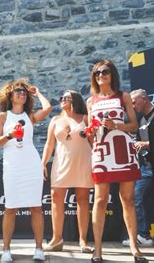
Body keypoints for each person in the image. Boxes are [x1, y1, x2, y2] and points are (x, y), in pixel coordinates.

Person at [87, 60, 146, 262]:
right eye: (97, 73)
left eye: (104, 71)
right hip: (102, 153)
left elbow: (134, 126)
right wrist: (90, 132)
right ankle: (97, 250)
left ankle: (134, 247)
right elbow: (89, 133)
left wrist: (116, 125)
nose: (100, 75)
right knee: (100, 200)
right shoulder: (90, 101)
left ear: (112, 74)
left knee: (127, 200)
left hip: (123, 151)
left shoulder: (124, 96)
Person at [0, 78, 52, 262]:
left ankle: (39, 249)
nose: (22, 93)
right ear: (10, 95)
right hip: (12, 166)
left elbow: (48, 108)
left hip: (31, 164)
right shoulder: (3, 116)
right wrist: (10, 135)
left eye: (24, 92)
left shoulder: (30, 116)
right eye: (18, 91)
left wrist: (38, 92)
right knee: (10, 209)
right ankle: (6, 250)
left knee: (36, 207)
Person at [41, 90, 94, 253]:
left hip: (83, 162)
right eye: (61, 98)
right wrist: (43, 163)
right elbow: (49, 144)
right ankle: (57, 239)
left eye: (67, 98)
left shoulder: (85, 118)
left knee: (83, 200)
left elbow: (93, 142)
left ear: (75, 100)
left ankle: (83, 241)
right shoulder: (55, 120)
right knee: (56, 197)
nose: (63, 100)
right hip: (61, 163)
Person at [121, 89, 154, 247]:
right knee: (135, 197)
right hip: (146, 167)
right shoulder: (140, 120)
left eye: (134, 102)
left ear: (144, 99)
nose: (133, 106)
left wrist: (147, 144)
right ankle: (143, 235)